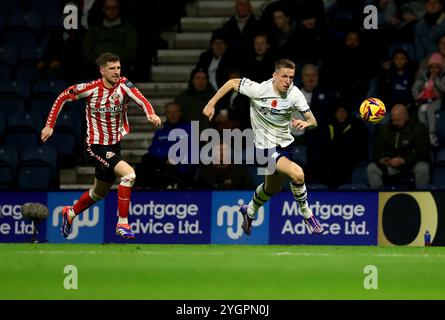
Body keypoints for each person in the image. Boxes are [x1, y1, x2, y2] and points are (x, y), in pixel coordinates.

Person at [40, 52, 162, 239]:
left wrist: (150, 114)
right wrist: (50, 125)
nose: (116, 72)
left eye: (118, 68)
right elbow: (62, 96)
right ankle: (122, 223)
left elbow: (141, 99)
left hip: (114, 146)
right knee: (129, 175)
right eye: (112, 68)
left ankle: (70, 213)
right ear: (102, 70)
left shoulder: (124, 85)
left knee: (98, 193)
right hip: (95, 146)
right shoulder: (90, 88)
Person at [202, 59, 324, 235]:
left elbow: (313, 121)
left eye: (291, 77)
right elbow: (231, 83)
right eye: (284, 76)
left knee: (271, 189)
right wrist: (211, 103)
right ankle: (308, 215)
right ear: (274, 76)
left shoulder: (295, 94)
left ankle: (249, 210)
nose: (288, 81)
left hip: (285, 147)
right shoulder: (258, 90)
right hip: (264, 149)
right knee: (298, 174)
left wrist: (306, 124)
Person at [367, 104, 431, 189]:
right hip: (390, 165)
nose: (395, 123)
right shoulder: (385, 129)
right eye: (393, 120)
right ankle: (378, 198)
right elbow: (376, 152)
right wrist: (382, 160)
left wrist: (403, 160)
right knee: (371, 168)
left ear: (406, 117)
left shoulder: (418, 128)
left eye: (398, 120)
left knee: (423, 168)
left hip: (410, 165)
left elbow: (423, 153)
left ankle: (423, 198)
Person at [135, 102, 194, 189]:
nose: (172, 115)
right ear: (166, 114)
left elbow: (192, 150)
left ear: (181, 113)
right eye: (169, 112)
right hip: (163, 164)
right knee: (145, 160)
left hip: (181, 166)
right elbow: (153, 149)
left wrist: (175, 157)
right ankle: (138, 194)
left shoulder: (190, 130)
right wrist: (167, 157)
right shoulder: (161, 132)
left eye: (175, 112)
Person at [412, 52, 445, 146]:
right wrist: (417, 96)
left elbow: (443, 88)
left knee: (430, 110)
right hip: (426, 100)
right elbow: (415, 87)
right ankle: (424, 134)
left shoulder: (442, 76)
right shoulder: (424, 76)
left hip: (438, 100)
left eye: (437, 67)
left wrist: (436, 80)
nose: (434, 69)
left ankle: (432, 134)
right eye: (432, 67)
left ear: (441, 67)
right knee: (421, 111)